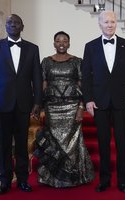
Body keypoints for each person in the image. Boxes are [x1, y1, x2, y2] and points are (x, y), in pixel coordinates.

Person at [0, 14, 42, 194]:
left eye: (16, 23)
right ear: (5, 27)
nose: (13, 25)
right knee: (4, 144)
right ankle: (5, 180)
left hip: (24, 104)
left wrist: (38, 101)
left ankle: (23, 179)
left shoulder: (32, 48)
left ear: (22, 26)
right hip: (1, 103)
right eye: (10, 22)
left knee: (22, 144)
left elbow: (37, 78)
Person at [81, 10, 125, 193]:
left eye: (112, 22)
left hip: (122, 101)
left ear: (116, 24)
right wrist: (88, 100)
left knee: (122, 143)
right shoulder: (90, 46)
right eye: (106, 22)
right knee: (103, 143)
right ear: (100, 24)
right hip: (99, 102)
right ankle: (104, 180)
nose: (110, 25)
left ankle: (122, 181)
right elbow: (86, 77)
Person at [34, 31, 95, 187]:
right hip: (52, 107)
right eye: (58, 40)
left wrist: (81, 107)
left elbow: (82, 84)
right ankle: (53, 178)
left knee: (72, 143)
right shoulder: (46, 62)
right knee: (54, 141)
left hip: (72, 106)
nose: (61, 43)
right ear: (54, 43)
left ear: (69, 43)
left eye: (65, 40)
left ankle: (72, 177)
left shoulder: (77, 61)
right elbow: (43, 84)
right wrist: (40, 105)